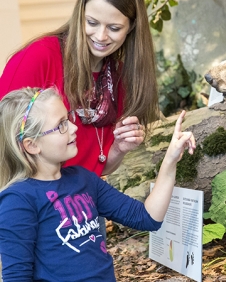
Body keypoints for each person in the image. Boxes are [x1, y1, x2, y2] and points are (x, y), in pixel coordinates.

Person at [0, 87, 196, 281]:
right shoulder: (17, 200)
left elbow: (147, 217)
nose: (74, 128)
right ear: (32, 145)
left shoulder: (83, 179)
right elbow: (17, 276)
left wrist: (170, 159)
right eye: (61, 125)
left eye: (68, 119)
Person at [0, 0, 158, 177]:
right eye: (92, 23)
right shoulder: (39, 57)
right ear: (79, 16)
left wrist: (119, 149)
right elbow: (5, 142)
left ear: (131, 27)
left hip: (78, 202)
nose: (101, 36)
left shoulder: (122, 80)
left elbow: (94, 169)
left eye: (114, 27)